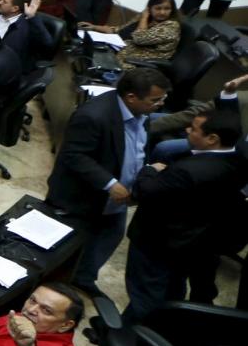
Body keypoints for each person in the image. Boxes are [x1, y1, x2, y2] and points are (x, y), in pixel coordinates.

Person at [46, 66, 171, 292]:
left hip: (118, 197)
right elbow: (75, 155)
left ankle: (83, 279)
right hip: (84, 196)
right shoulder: (93, 116)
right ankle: (57, 286)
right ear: (132, 97)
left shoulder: (142, 113)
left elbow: (137, 148)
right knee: (69, 245)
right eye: (156, 99)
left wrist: (143, 173)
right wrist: (111, 184)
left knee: (109, 236)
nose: (160, 103)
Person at [124, 105, 244, 322]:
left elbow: (145, 192)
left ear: (212, 139)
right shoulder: (237, 160)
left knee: (145, 297)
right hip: (191, 241)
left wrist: (149, 170)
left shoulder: (187, 171)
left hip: (157, 242)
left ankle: (125, 343)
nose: (188, 130)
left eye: (195, 129)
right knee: (171, 292)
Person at [80, 0, 182, 67]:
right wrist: (94, 27)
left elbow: (139, 38)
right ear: (150, 8)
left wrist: (144, 18)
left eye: (167, 8)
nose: (162, 12)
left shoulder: (171, 26)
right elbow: (120, 30)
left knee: (96, 62)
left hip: (138, 62)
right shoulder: (147, 18)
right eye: (158, 8)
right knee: (88, 53)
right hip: (123, 51)